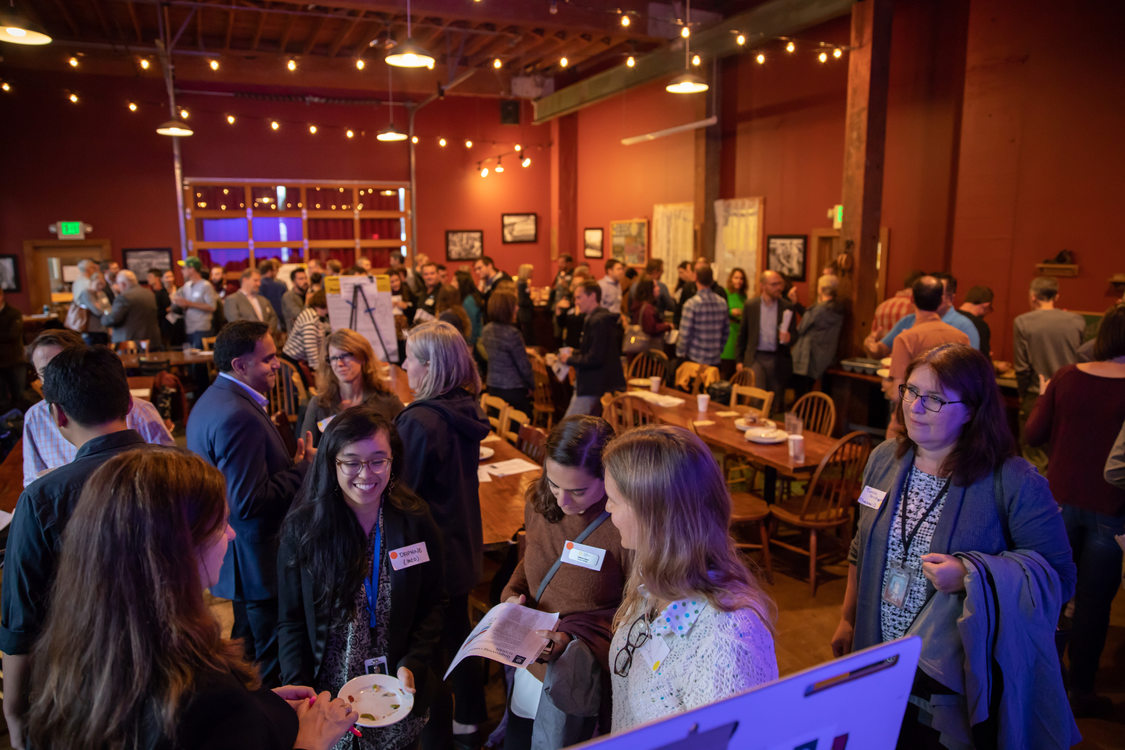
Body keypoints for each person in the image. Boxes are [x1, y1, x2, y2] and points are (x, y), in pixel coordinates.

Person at [27, 448, 358, 750]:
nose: (230, 534)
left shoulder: (86, 645)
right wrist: (313, 740)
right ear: (177, 550)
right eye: (220, 524)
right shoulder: (201, 694)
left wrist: (260, 707)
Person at [832, 343, 1077, 746]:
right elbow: (860, 547)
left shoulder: (1014, 482)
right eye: (910, 391)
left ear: (972, 410)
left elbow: (1061, 578)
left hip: (950, 678)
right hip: (877, 656)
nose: (914, 407)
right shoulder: (884, 460)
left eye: (934, 399)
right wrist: (847, 618)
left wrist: (971, 573)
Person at [1, 344, 152, 749]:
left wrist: (15, 714)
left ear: (58, 414)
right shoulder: (186, 471)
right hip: (182, 673)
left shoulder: (42, 498)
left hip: (88, 688)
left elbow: (21, 622)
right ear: (128, 403)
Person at [278, 407, 447, 749]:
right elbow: (290, 621)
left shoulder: (415, 520)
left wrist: (414, 661)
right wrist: (301, 689)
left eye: (377, 461)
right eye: (351, 462)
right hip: (328, 702)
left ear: (392, 461)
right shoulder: (304, 530)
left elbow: (434, 604)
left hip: (397, 695)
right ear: (332, 463)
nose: (365, 474)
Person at [603, 425, 777, 732]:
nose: (607, 509)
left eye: (614, 500)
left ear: (653, 515)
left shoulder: (725, 642)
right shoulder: (652, 583)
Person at [186, 321, 315, 687]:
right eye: (268, 359)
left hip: (241, 561)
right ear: (239, 365)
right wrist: (301, 469)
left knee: (249, 656)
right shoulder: (237, 415)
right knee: (269, 665)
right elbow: (247, 501)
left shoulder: (215, 399)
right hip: (256, 562)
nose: (278, 365)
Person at [500, 416, 627, 749]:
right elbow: (532, 564)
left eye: (578, 490)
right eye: (554, 483)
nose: (562, 501)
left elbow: (633, 614)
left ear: (608, 477)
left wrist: (569, 636)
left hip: (576, 674)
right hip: (528, 662)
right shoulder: (539, 502)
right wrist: (513, 596)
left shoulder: (624, 525)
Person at [1025, 302, 1125, 717]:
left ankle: (1037, 676)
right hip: (1113, 507)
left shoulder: (1067, 377)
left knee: (1051, 593)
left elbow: (1033, 433)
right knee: (1094, 602)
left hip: (1059, 500)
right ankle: (1081, 690)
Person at [395, 320, 490, 749]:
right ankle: (470, 721)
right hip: (464, 544)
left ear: (429, 365)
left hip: (432, 553)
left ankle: (437, 731)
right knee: (460, 637)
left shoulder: (420, 421)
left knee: (434, 649)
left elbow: (402, 495)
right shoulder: (466, 409)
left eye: (409, 358)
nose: (402, 365)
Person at [21, 329, 173, 487]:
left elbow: (170, 471)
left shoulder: (140, 411)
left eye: (63, 370)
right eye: (45, 373)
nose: (56, 380)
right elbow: (33, 482)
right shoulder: (35, 418)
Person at [1013, 276, 1084, 472]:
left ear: (1033, 297)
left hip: (1037, 392)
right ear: (1057, 296)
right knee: (1062, 454)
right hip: (1069, 394)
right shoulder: (1077, 321)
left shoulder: (1023, 322)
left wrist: (1023, 395)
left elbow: (1022, 367)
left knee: (1033, 455)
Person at [885, 276, 970, 437]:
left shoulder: (906, 339)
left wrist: (887, 385)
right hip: (949, 425)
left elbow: (898, 394)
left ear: (911, 299)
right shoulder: (961, 337)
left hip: (911, 424)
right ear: (941, 300)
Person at [302, 328, 405, 447]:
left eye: (345, 355)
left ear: (363, 356)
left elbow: (404, 447)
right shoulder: (319, 404)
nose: (339, 364)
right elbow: (305, 453)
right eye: (334, 358)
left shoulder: (387, 402)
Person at [868, 274, 980, 356]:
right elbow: (881, 350)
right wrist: (870, 343)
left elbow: (971, 369)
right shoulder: (908, 321)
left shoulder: (964, 327)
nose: (931, 296)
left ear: (950, 298)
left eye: (937, 293)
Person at [558, 281, 625, 417]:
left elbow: (595, 358)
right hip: (595, 383)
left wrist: (570, 359)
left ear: (592, 296)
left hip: (592, 384)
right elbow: (595, 351)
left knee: (569, 430)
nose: (576, 302)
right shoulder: (596, 318)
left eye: (579, 297)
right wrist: (575, 352)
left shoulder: (598, 321)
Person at [735, 270, 797, 415]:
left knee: (774, 399)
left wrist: (789, 338)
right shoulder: (751, 305)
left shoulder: (786, 307)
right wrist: (739, 360)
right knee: (757, 398)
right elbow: (742, 334)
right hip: (756, 356)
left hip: (777, 358)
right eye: (774, 284)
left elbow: (794, 334)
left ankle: (768, 434)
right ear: (763, 286)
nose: (779, 288)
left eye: (780, 284)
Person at [481, 290, 535, 418]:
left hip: (493, 384)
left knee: (499, 424)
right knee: (521, 426)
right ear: (506, 308)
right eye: (514, 305)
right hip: (513, 388)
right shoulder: (512, 333)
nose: (517, 308)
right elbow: (523, 365)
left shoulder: (486, 329)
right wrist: (531, 385)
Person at [790, 273, 845, 396]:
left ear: (820, 289)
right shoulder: (837, 309)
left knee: (800, 396)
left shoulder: (818, 310)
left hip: (807, 359)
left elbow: (801, 328)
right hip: (823, 358)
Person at [676, 265, 729, 369]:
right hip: (715, 359)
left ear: (696, 278)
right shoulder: (722, 302)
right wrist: (719, 349)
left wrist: (680, 353)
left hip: (695, 359)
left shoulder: (691, 304)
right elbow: (726, 331)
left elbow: (684, 334)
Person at [101, 269, 162, 348]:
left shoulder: (124, 297)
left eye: (118, 284)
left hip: (130, 343)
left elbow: (113, 319)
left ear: (123, 284)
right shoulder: (149, 293)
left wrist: (103, 317)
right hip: (151, 340)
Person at [281, 288, 330, 385]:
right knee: (303, 393)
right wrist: (319, 372)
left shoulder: (313, 314)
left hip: (299, 360)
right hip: (293, 362)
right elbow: (311, 350)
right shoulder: (310, 321)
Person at [173, 256, 219, 349]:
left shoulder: (205, 285)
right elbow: (186, 305)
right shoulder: (187, 285)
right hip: (189, 327)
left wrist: (188, 303)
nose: (182, 271)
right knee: (190, 357)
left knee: (199, 360)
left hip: (202, 328)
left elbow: (212, 307)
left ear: (192, 269)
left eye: (184, 268)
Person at [226, 267, 281, 334]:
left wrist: (268, 331)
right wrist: (257, 333)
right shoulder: (232, 299)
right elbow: (235, 323)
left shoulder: (263, 300)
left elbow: (273, 317)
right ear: (245, 280)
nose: (259, 284)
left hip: (266, 339)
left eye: (259, 281)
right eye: (255, 280)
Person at [718, 268, 748, 379]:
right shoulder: (725, 293)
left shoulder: (744, 296)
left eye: (741, 278)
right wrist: (731, 312)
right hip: (728, 331)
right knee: (726, 368)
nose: (739, 281)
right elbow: (721, 310)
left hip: (739, 331)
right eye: (736, 278)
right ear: (731, 279)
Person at [0, 287, 26, 412]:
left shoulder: (14, 313)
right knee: (2, 399)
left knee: (19, 395)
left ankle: (20, 424)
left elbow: (12, 335)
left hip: (14, 360)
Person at [630, 278, 671, 353]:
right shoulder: (647, 308)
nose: (658, 288)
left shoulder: (640, 304)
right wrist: (667, 326)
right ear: (649, 290)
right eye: (655, 286)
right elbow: (650, 328)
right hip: (648, 350)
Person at [958, 285, 994, 357]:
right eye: (990, 308)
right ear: (986, 305)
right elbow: (982, 359)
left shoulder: (947, 318)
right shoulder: (980, 326)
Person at [455, 269, 484, 346]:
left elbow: (471, 324)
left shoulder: (468, 301)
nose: (452, 283)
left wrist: (470, 344)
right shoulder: (468, 298)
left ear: (461, 283)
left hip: (474, 341)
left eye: (455, 281)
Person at [282, 266, 311, 331]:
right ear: (293, 282)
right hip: (297, 336)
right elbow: (299, 316)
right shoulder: (288, 296)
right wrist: (307, 302)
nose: (305, 281)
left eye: (306, 278)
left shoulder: (308, 294)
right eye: (301, 279)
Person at [516, 263, 535, 343]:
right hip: (524, 313)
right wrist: (531, 300)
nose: (532, 274)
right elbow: (522, 300)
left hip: (523, 313)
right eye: (531, 272)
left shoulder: (523, 283)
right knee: (526, 335)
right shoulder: (522, 284)